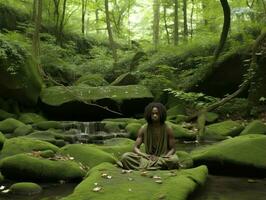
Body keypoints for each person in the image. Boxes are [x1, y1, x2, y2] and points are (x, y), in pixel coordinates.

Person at [119, 102, 179, 170]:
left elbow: (173, 149)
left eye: (157, 113)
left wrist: (164, 157)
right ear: (149, 114)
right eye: (153, 114)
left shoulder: (168, 129)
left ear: (161, 114)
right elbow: (135, 147)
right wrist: (144, 155)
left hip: (162, 158)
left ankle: (147, 166)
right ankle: (154, 166)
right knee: (125, 157)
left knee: (174, 160)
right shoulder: (143, 128)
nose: (155, 115)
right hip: (147, 157)